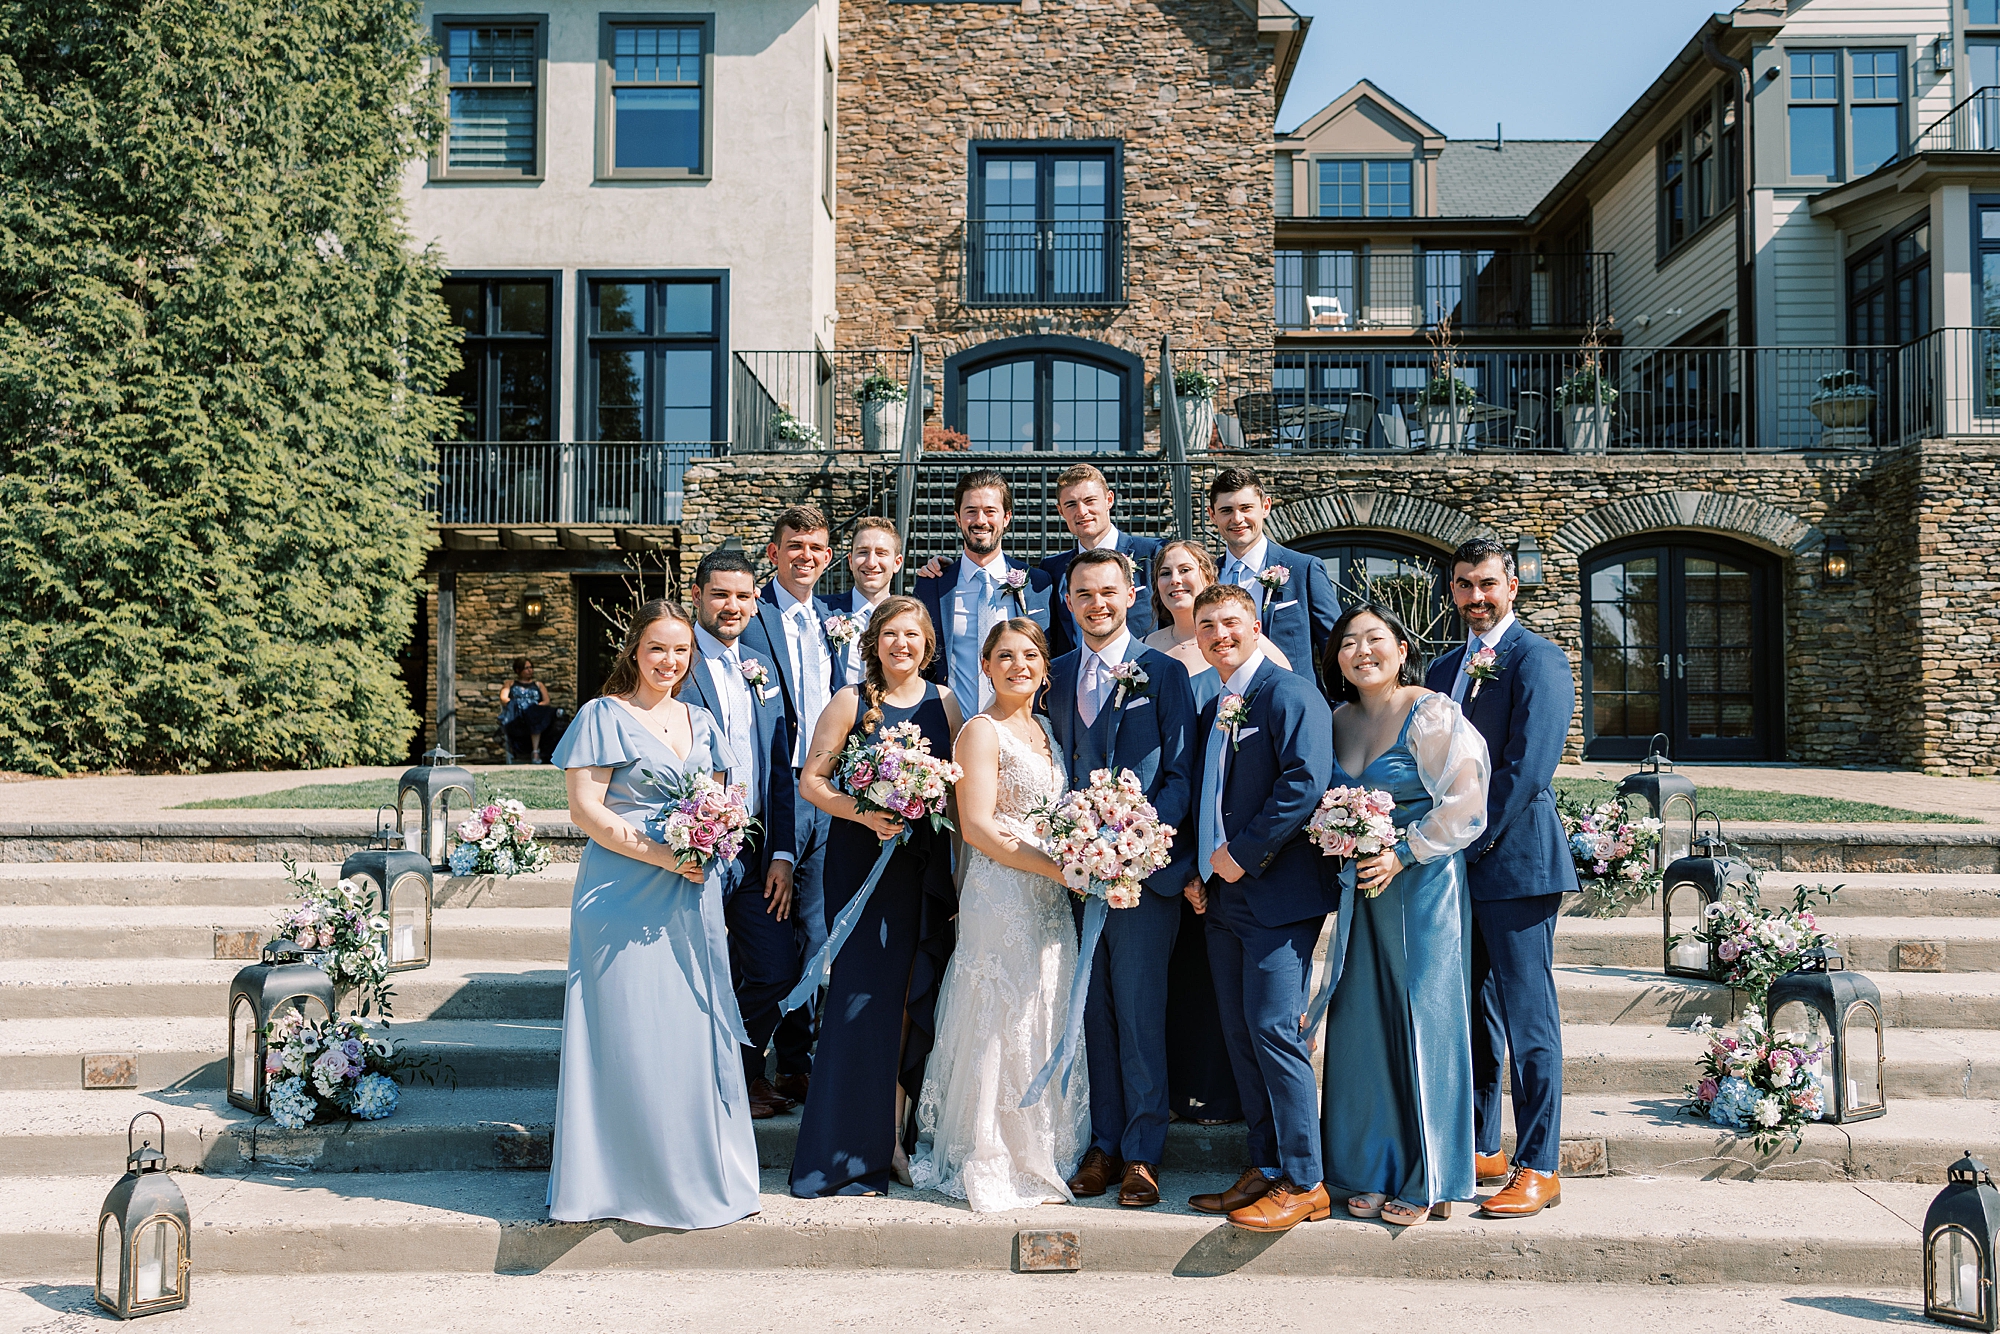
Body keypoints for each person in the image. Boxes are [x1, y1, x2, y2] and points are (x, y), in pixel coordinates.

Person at [545, 600, 758, 1230]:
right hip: (621, 893)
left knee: (686, 1032)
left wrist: (715, 837)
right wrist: (665, 855)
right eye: (657, 648)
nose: (670, 661)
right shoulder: (603, 715)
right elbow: (586, 809)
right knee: (628, 1032)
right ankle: (614, 1180)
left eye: (681, 650)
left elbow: (722, 797)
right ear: (634, 650)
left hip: (690, 892)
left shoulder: (701, 720)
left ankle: (690, 1174)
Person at [1318, 603, 1490, 1229]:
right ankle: (1368, 1167)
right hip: (1359, 892)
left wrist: (1402, 851)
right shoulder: (1334, 719)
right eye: (1348, 643)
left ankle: (1431, 1174)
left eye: (1375, 640)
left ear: (1400, 648)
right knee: (1362, 1024)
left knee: (1426, 1022)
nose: (1361, 652)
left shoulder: (1433, 711)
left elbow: (1467, 802)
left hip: (1422, 887)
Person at [1422, 536, 1579, 1219]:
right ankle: (1484, 1144)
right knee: (1470, 1014)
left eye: (1487, 584)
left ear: (1512, 587)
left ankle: (1540, 1163)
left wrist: (1466, 842)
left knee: (1527, 1018)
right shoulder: (1445, 664)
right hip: (1454, 870)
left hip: (1513, 865)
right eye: (1464, 585)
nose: (1476, 598)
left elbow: (1526, 771)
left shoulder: (1537, 659)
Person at [909, 619, 1087, 1211]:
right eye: (1005, 656)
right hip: (1002, 889)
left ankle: (1043, 1143)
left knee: (1045, 1002)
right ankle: (992, 1148)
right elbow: (977, 827)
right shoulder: (980, 733)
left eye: (1030, 656)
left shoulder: (1044, 731)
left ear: (1044, 667)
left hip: (1048, 894)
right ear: (985, 666)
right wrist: (1059, 869)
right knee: (1001, 1008)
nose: (1019, 666)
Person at [789, 597, 965, 1198]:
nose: (901, 645)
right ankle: (846, 1145)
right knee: (862, 995)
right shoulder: (850, 701)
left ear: (928, 644)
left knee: (914, 996)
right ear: (874, 640)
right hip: (862, 861)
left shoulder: (947, 704)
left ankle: (893, 1133)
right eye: (890, 634)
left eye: (912, 635)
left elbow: (958, 792)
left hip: (921, 869)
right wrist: (864, 811)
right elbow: (812, 780)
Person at [1182, 584, 1336, 1233]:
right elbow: (1210, 793)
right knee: (1242, 1034)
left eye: (1231, 623)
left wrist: (1240, 856)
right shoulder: (1218, 702)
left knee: (1275, 1031)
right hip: (1222, 894)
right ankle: (1267, 1166)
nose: (1220, 634)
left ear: (1253, 625)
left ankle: (1306, 1180)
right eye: (1208, 625)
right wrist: (1198, 867)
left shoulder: (1288, 691)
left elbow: (1305, 780)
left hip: (1275, 893)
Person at [1045, 549, 1196, 1209]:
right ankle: (1101, 1145)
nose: (1097, 603)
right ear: (1067, 601)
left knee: (1138, 1014)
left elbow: (1182, 774)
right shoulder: (1050, 675)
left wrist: (1132, 846)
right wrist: (1071, 845)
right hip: (1070, 878)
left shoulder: (1165, 673)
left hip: (1140, 877)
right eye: (1084, 593)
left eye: (1108, 591)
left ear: (1132, 595)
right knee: (1089, 1014)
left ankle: (1141, 1153)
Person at [685, 549, 801, 1120]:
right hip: (694, 848)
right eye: (720, 595)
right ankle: (718, 1079)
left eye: (743, 596)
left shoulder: (761, 667)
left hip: (756, 851)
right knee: (702, 967)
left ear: (757, 600)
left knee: (777, 965)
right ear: (698, 595)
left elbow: (780, 768)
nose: (733, 606)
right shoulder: (677, 664)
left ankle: (742, 1065)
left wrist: (781, 851)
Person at [741, 505, 841, 1106]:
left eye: (817, 547)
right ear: (774, 554)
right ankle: (749, 1061)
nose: (807, 555)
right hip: (775, 794)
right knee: (768, 936)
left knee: (817, 929)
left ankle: (797, 1061)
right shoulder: (753, 617)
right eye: (795, 546)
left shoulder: (834, 620)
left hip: (827, 791)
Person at [912, 470, 1052, 714]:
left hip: (1019, 724)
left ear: (1006, 517)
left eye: (990, 511)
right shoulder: (932, 585)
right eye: (971, 511)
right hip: (950, 725)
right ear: (957, 517)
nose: (980, 520)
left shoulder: (1038, 584)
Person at [1205, 468, 1338, 688]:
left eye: (1246, 508)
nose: (1237, 519)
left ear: (1265, 506)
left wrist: (1336, 710)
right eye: (1226, 510)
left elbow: (1334, 649)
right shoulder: (1207, 577)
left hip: (1290, 701)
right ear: (1212, 515)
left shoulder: (1304, 570)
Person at [1142, 537, 1292, 706]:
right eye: (1165, 573)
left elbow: (1289, 692)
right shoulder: (1143, 649)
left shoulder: (1247, 641)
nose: (1174, 580)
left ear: (1209, 578)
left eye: (1185, 570)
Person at [1038, 463, 1163, 660]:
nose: (1081, 511)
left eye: (1090, 501)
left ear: (1109, 500)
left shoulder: (1152, 553)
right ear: (1060, 511)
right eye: (1071, 504)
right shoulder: (1052, 569)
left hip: (1143, 671)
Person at [828, 517, 903, 683]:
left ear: (897, 563)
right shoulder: (823, 611)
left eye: (881, 553)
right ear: (850, 561)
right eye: (863, 552)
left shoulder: (909, 618)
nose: (871, 562)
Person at [498, 658, 555, 764]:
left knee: (535, 713)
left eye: (531, 668)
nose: (530, 670)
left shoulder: (538, 684)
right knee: (528, 713)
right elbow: (503, 698)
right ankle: (534, 752)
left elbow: (546, 701)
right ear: (518, 670)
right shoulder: (510, 684)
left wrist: (534, 707)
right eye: (526, 668)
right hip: (517, 715)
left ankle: (536, 751)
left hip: (534, 714)